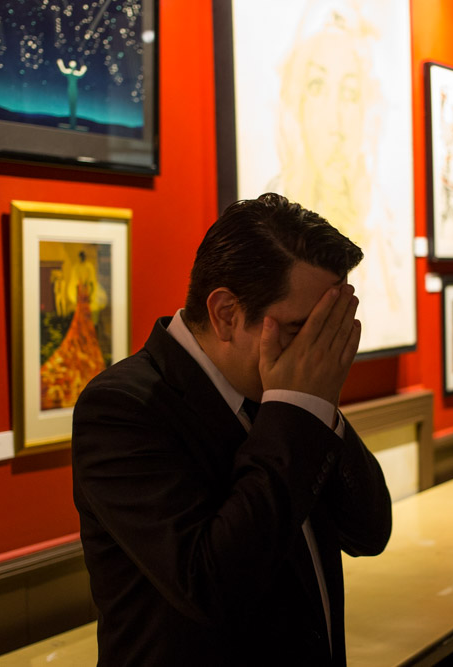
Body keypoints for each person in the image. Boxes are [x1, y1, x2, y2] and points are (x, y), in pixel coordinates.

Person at [71, 193, 393, 666]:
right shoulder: (123, 408)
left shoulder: (283, 392)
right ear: (226, 313)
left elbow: (369, 532)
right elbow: (211, 585)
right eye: (302, 329)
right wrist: (299, 408)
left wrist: (318, 408)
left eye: (330, 328)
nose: (317, 350)